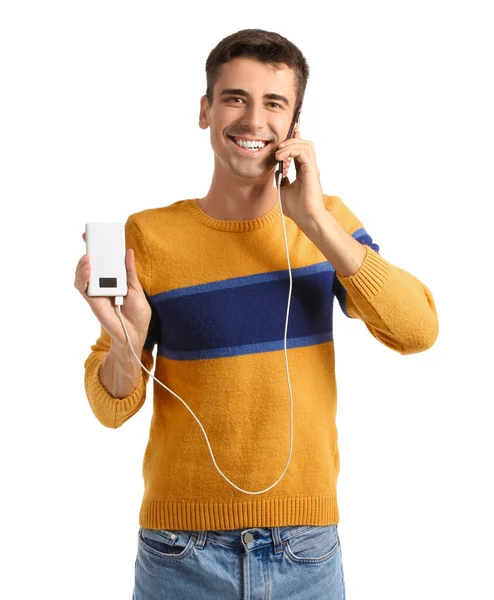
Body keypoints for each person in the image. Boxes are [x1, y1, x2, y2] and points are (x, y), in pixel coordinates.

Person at [74, 28, 439, 600]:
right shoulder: (148, 235)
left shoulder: (328, 222)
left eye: (274, 104)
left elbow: (418, 331)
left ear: (294, 127)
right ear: (205, 110)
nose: (252, 121)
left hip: (306, 549)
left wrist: (315, 221)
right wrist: (126, 339)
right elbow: (111, 407)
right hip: (180, 552)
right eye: (235, 98)